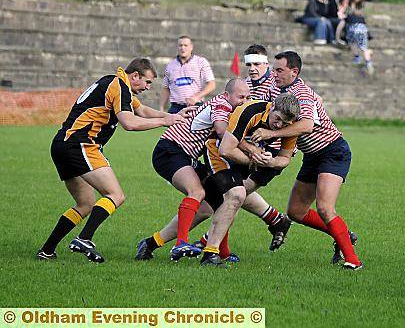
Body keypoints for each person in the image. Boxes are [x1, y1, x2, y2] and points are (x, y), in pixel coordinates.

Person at [36, 58, 192, 263]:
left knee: (85, 204)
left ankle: (47, 250)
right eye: (147, 82)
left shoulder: (116, 84)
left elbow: (142, 111)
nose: (147, 87)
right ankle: (84, 238)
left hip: (62, 145)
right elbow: (129, 123)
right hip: (80, 145)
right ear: (135, 76)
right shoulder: (118, 86)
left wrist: (172, 115)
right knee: (116, 195)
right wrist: (165, 121)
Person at [250, 51, 363, 270]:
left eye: (280, 70)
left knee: (324, 208)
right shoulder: (276, 88)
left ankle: (353, 261)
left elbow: (306, 126)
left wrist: (270, 135)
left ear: (294, 72)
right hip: (312, 156)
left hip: (332, 151)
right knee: (295, 212)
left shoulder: (301, 93)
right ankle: (344, 236)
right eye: (274, 69)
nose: (275, 74)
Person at [135, 78, 251, 262]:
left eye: (248, 97)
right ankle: (181, 244)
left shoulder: (226, 105)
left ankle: (150, 243)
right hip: (170, 150)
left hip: (185, 155)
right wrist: (251, 148)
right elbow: (222, 131)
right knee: (196, 191)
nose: (244, 101)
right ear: (227, 95)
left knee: (220, 202)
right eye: (241, 97)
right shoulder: (223, 105)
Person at [200, 94, 300, 267]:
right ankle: (206, 250)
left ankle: (156, 243)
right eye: (277, 119)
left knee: (229, 199)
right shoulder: (250, 110)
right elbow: (226, 149)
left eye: (285, 124)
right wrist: (255, 158)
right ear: (272, 106)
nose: (279, 126)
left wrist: (271, 162)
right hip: (217, 151)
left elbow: (285, 158)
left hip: (245, 157)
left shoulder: (289, 126)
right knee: (230, 197)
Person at [160, 36, 216, 114]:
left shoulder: (201, 62)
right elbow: (166, 88)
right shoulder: (170, 66)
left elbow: (211, 84)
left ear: (191, 47)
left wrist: (197, 97)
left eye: (185, 45)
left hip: (195, 106)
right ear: (177, 47)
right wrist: (161, 108)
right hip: (175, 107)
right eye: (180, 45)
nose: (183, 48)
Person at [342, 0, 373, 74]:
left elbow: (343, 15)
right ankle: (367, 61)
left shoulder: (356, 8)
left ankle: (360, 58)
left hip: (355, 28)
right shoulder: (352, 7)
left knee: (355, 44)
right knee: (361, 46)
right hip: (360, 28)